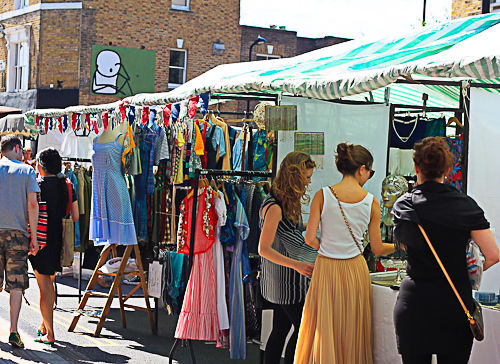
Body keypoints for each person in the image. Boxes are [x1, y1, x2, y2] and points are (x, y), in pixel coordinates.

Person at [392, 137, 499, 364]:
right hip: (454, 303)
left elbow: (403, 245)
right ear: (448, 170)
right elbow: (492, 255)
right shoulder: (466, 206)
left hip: (414, 302)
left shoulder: (404, 205)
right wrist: (468, 272)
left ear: (416, 167)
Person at [295, 142, 395, 364]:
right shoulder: (372, 203)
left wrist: (329, 245)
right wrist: (400, 246)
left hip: (327, 267)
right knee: (352, 329)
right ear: (362, 169)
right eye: (370, 171)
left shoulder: (322, 196)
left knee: (324, 326)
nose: (369, 175)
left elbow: (309, 239)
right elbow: (378, 249)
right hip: (355, 269)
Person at [258, 151, 318, 364]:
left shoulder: (282, 200)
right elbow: (263, 249)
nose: (310, 182)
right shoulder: (274, 207)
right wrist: (298, 265)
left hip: (283, 278)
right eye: (307, 177)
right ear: (296, 177)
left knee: (281, 329)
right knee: (302, 330)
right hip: (284, 280)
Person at [29, 148, 79, 345]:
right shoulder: (67, 185)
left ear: (40, 166)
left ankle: (50, 333)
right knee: (50, 283)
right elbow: (75, 216)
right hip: (59, 240)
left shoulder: (37, 185)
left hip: (40, 240)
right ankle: (44, 325)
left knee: (44, 288)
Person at [0, 135, 40, 348]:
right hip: (17, 234)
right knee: (16, 285)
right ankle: (13, 331)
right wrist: (33, 236)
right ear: (16, 148)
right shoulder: (27, 171)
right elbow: (33, 205)